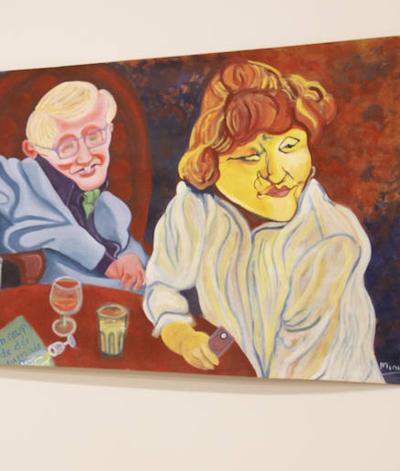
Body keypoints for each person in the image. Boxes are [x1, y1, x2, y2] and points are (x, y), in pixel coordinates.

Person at [143, 60, 382, 381]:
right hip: (247, 379)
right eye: (249, 156)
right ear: (212, 163)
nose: (275, 172)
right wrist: (176, 329)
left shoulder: (329, 240)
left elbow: (296, 374)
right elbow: (162, 282)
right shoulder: (195, 209)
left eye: (290, 146)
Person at [0, 80, 147, 291]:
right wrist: (105, 262)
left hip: (110, 302)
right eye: (67, 146)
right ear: (33, 150)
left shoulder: (110, 207)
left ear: (109, 132)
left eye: (94, 136)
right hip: (44, 302)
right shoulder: (15, 180)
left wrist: (131, 257)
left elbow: (128, 244)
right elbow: (51, 231)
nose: (85, 157)